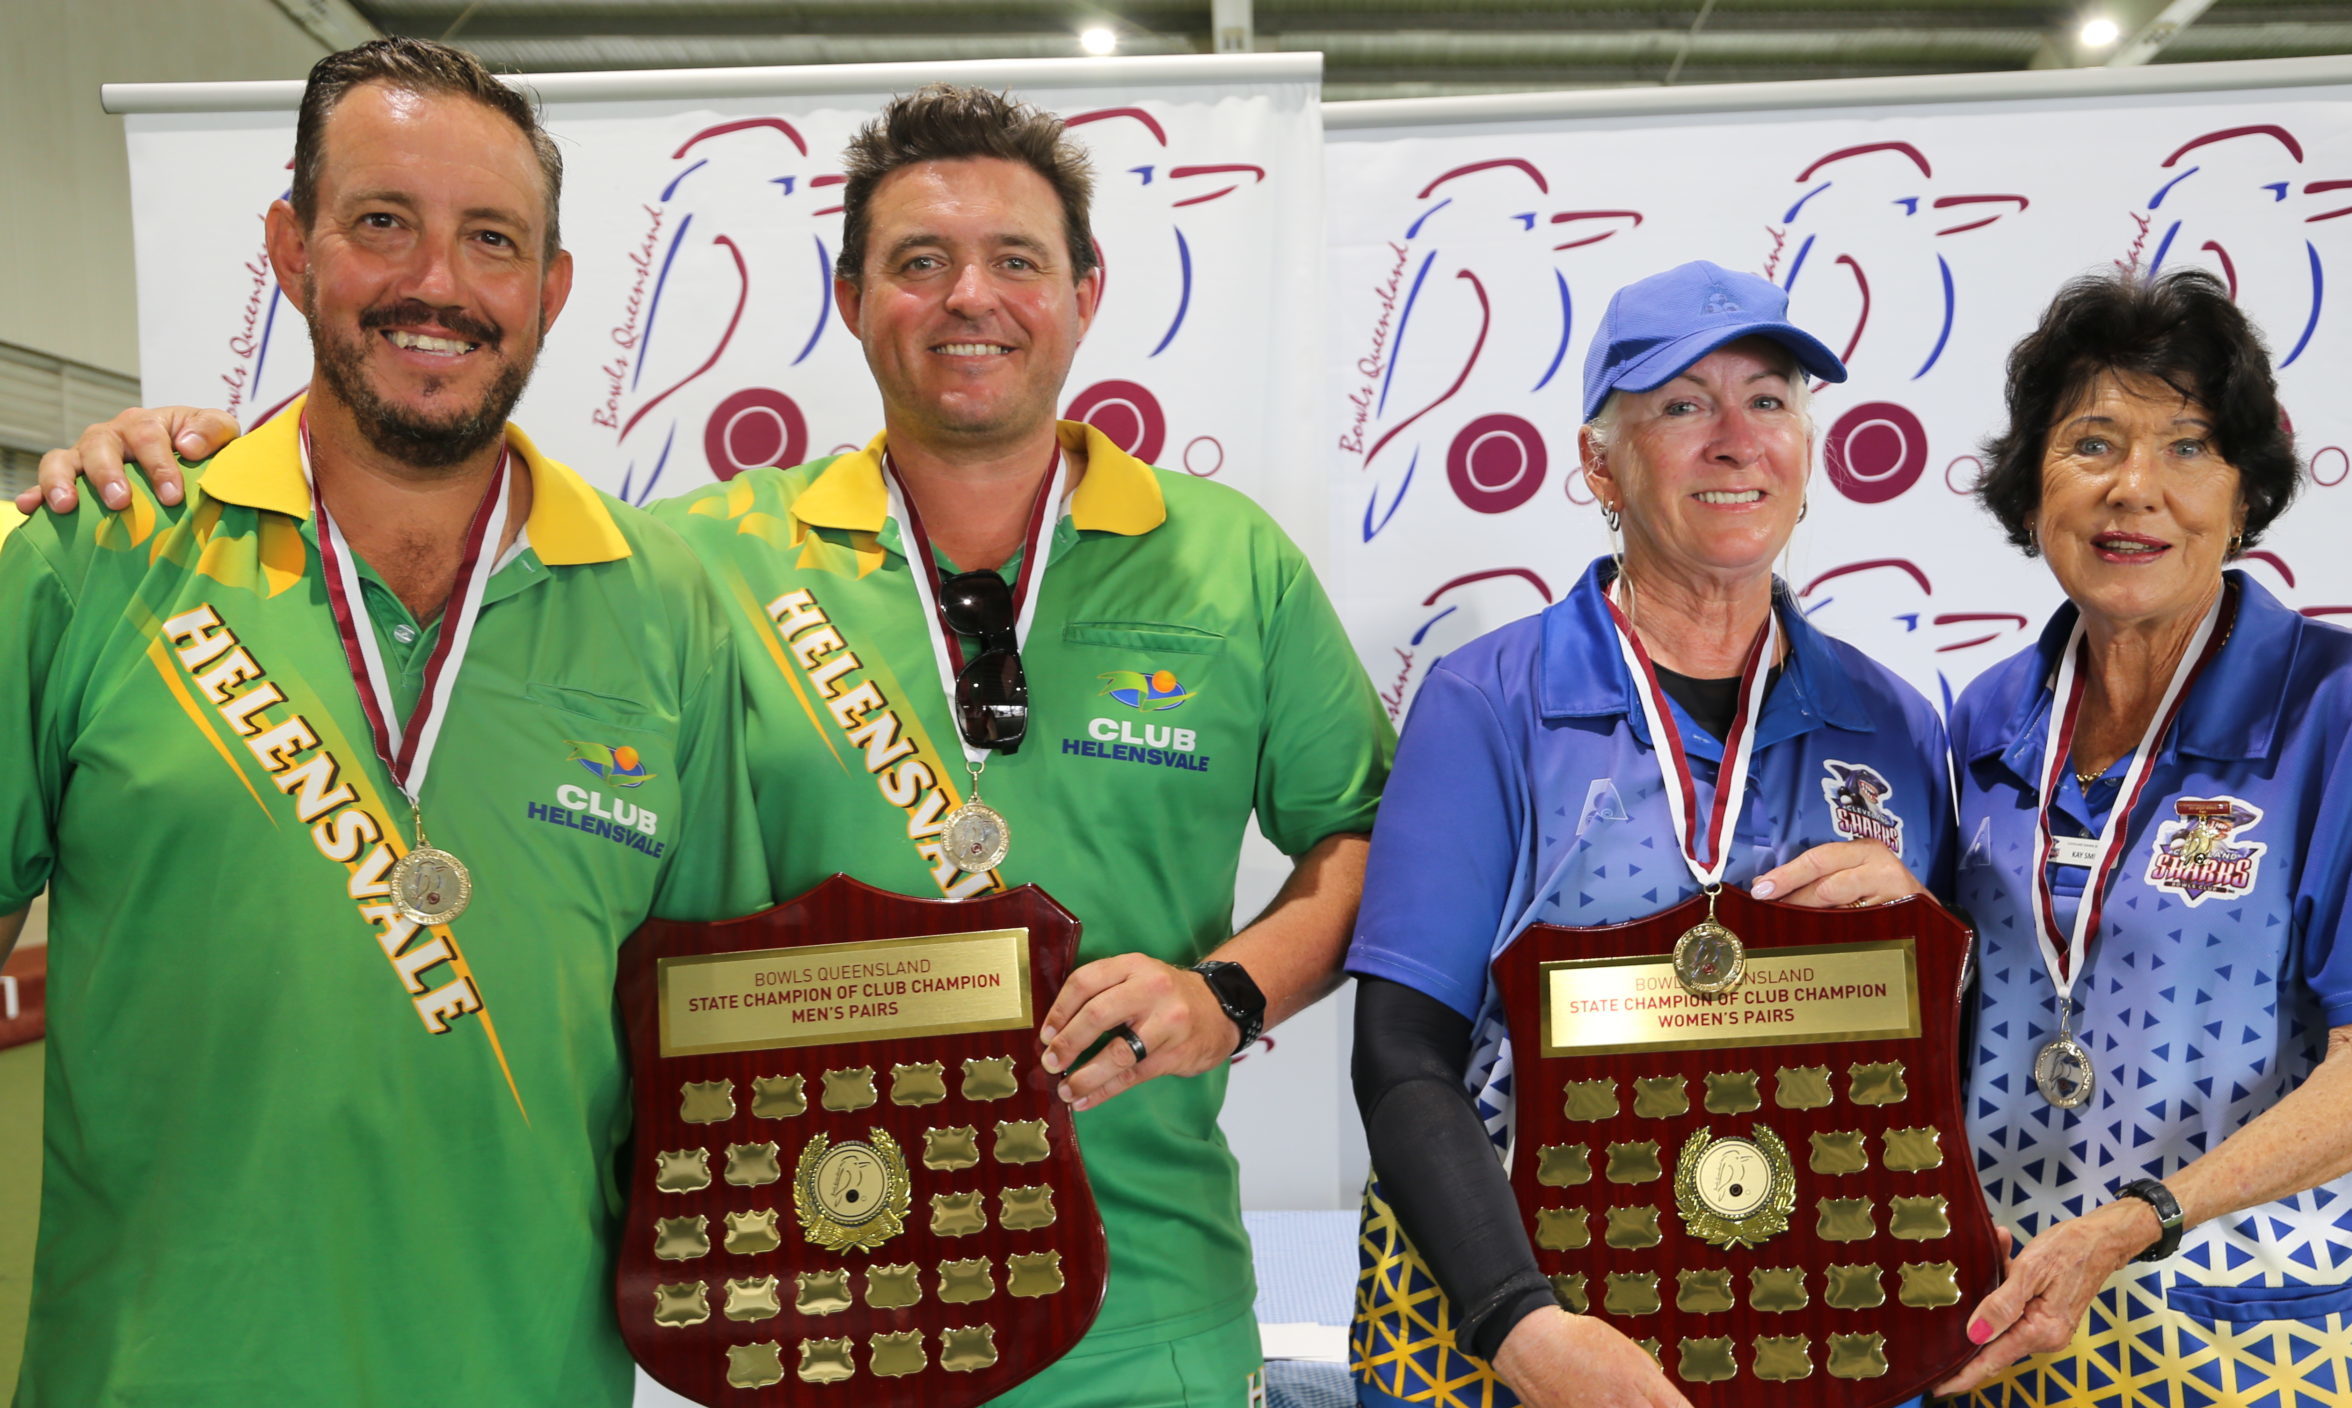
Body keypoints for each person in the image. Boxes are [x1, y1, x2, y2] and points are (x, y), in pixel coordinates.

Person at [42, 83, 1396, 1408]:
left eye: (1016, 261)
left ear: (1086, 293)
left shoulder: (1233, 566)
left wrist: (1225, 997)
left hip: (1141, 1321)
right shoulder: (694, 567)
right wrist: (193, 461)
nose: (968, 298)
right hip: (801, 1313)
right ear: (853, 295)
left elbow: (1368, 839)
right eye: (917, 261)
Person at [0, 38, 767, 1407]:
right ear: (292, 250)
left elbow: (710, 1023)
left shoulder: (671, 606)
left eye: (491, 241)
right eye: (381, 225)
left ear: (552, 288)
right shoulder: (87, 558)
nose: (438, 285)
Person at [1341, 260, 1961, 1408]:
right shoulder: (1493, 702)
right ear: (1598, 463)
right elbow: (1401, 1054)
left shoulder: (1895, 724)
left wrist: (1930, 944)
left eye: (1769, 399)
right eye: (1682, 405)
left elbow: (1941, 1070)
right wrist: (1521, 1329)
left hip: (1809, 1331)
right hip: (1515, 1339)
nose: (1736, 439)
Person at [1930, 270, 2352, 1407]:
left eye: (2190, 447)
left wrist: (2137, 1223)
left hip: (2256, 1339)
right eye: (2091, 443)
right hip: (2013, 1327)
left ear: (2245, 496)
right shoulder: (1985, 721)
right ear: (2031, 489)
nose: (2135, 489)